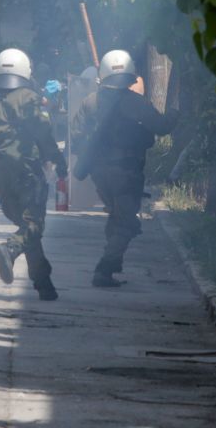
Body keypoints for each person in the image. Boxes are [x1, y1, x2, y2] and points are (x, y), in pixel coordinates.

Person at [0, 48, 67, 301]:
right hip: (28, 171)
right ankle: (9, 249)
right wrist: (59, 162)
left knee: (26, 225)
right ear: (24, 71)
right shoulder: (30, 98)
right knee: (33, 225)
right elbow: (44, 136)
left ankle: (43, 283)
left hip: (1, 174)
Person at [71, 49, 176, 287]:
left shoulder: (89, 102)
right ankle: (105, 268)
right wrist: (175, 112)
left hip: (99, 173)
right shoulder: (135, 103)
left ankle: (111, 265)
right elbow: (161, 126)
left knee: (117, 215)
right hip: (127, 172)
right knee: (127, 222)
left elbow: (76, 137)